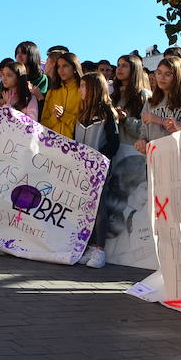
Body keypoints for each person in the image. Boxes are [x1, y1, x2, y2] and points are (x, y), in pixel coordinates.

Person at [75, 72, 120, 270]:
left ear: (94, 88)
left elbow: (114, 141)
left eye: (84, 86)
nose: (80, 90)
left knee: (100, 208)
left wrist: (99, 159)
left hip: (99, 168)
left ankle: (100, 249)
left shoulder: (106, 112)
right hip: (83, 168)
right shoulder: (82, 111)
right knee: (87, 208)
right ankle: (91, 246)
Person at [136, 54, 181, 151]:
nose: (162, 77)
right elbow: (144, 132)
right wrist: (142, 142)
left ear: (178, 76)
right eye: (159, 73)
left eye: (168, 74)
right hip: (156, 157)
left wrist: (159, 120)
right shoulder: (150, 102)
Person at [112, 53, 151, 147]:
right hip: (115, 153)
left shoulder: (144, 95)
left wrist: (126, 120)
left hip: (136, 152)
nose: (119, 68)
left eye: (124, 65)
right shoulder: (112, 96)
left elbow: (148, 129)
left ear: (134, 69)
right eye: (118, 65)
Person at [42, 52, 82, 138]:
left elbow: (85, 125)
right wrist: (54, 118)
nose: (61, 70)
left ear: (75, 68)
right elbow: (43, 124)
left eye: (65, 66)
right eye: (58, 67)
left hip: (76, 145)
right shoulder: (52, 92)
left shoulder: (83, 91)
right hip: (52, 144)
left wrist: (64, 116)